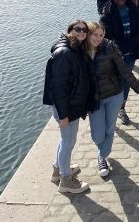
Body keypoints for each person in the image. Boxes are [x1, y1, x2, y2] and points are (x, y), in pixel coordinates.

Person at [85, 22, 139, 177]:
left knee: (109, 128)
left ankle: (102, 157)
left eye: (101, 35)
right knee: (97, 134)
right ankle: (101, 149)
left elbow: (125, 71)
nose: (98, 38)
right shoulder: (81, 51)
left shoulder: (110, 48)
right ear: (88, 34)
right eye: (95, 34)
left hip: (114, 95)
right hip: (94, 98)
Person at [43, 20, 91, 193]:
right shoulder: (64, 52)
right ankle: (66, 180)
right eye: (77, 29)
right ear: (70, 30)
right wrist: (63, 115)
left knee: (68, 141)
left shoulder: (75, 48)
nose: (81, 32)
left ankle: (58, 169)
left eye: (84, 30)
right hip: (66, 107)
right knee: (68, 141)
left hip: (72, 104)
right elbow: (58, 87)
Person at [100, 0, 139, 125]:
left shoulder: (133, 9)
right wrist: (121, 47)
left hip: (131, 53)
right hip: (114, 55)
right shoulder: (106, 14)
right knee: (113, 81)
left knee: (126, 81)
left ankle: (121, 108)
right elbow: (106, 36)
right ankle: (109, 109)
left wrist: (130, 45)